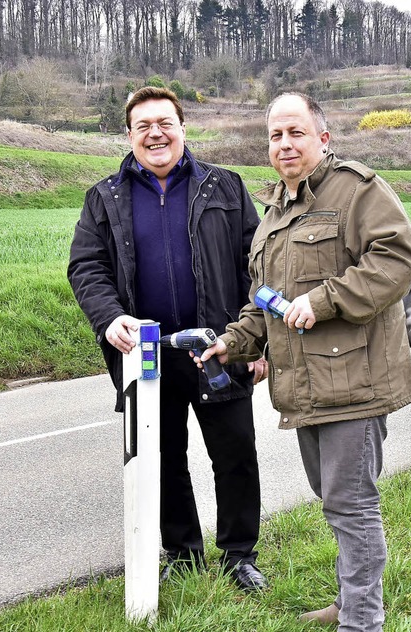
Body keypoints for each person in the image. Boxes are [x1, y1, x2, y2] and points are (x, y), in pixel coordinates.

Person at [196, 93, 411, 632]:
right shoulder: (273, 214)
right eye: (274, 136)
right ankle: (353, 601)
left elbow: (397, 257)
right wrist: (233, 342)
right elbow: (265, 305)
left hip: (356, 382)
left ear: (323, 137)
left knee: (352, 505)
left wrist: (324, 301)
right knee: (334, 502)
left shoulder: (357, 190)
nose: (284, 145)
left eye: (295, 133)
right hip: (306, 390)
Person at [68, 86, 268, 591]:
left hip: (216, 348)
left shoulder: (225, 187)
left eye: (165, 123)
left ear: (182, 128)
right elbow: (86, 266)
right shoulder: (104, 198)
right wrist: (108, 316)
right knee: (162, 459)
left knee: (236, 453)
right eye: (143, 126)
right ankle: (182, 553)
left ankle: (239, 555)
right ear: (130, 135)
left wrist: (256, 341)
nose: (155, 133)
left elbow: (259, 265)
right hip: (147, 355)